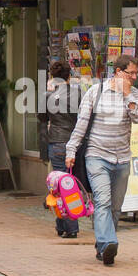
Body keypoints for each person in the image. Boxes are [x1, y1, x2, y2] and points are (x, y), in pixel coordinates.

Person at [66, 55, 138, 266]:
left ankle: (103, 246)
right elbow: (82, 123)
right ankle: (109, 241)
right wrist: (71, 150)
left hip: (122, 157)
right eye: (131, 73)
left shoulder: (134, 94)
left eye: (136, 73)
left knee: (116, 207)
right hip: (97, 155)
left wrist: (128, 95)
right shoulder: (96, 92)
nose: (134, 77)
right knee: (103, 200)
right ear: (118, 71)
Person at [44, 61, 82, 240]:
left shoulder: (48, 96)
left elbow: (42, 118)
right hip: (74, 141)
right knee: (71, 183)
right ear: (69, 76)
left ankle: (69, 226)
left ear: (52, 77)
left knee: (59, 186)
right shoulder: (78, 94)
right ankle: (63, 224)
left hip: (57, 141)